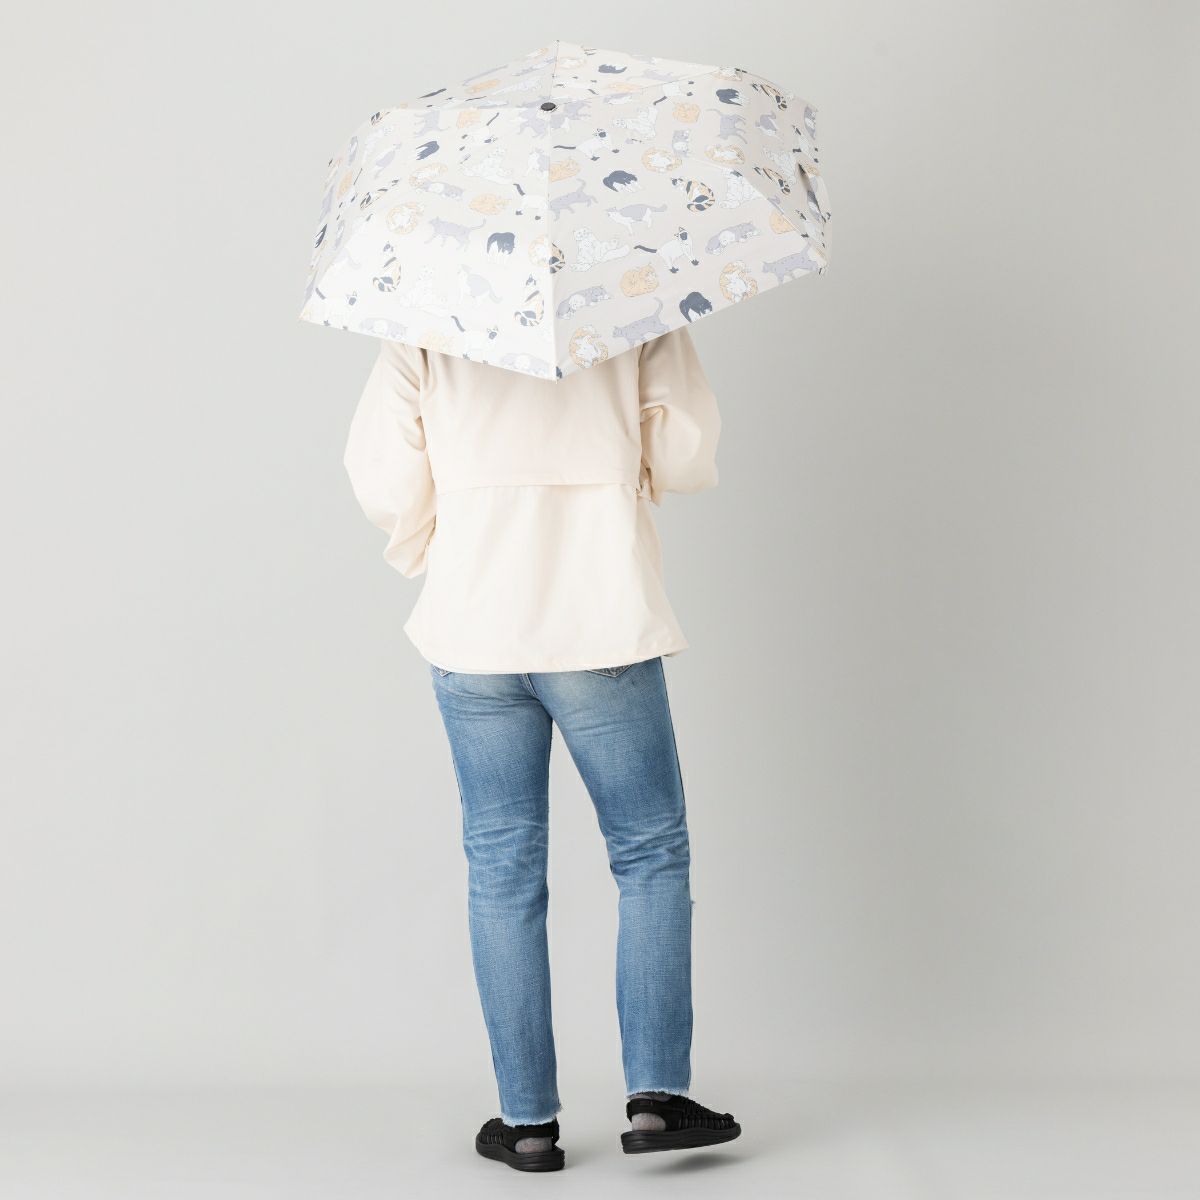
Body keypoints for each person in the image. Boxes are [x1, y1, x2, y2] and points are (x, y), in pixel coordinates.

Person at [343, 328, 740, 1172]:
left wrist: (445, 542)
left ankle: (526, 1124)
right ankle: (657, 1101)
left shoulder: (426, 317)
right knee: (649, 854)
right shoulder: (633, 300)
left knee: (502, 868)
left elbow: (381, 474)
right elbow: (686, 452)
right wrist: (625, 466)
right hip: (599, 615)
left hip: (474, 624)